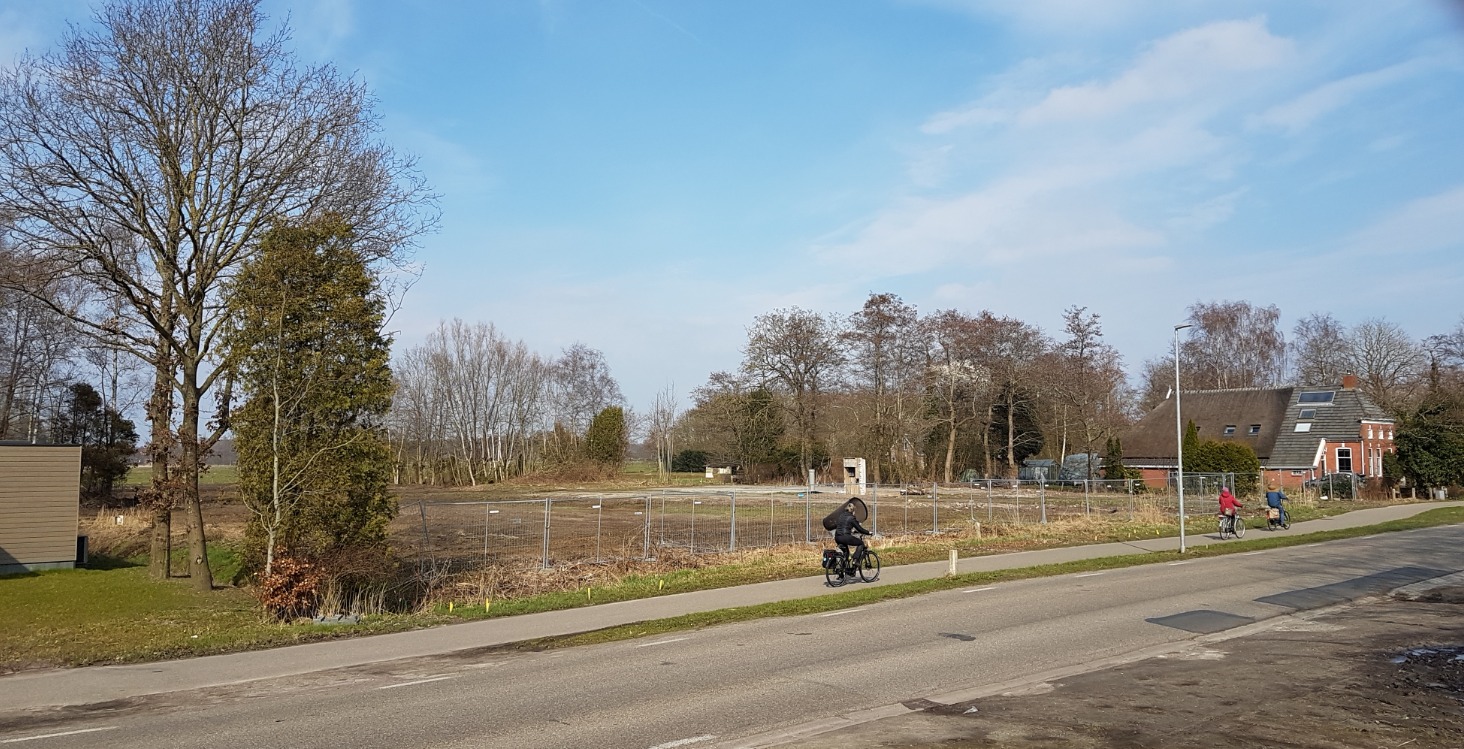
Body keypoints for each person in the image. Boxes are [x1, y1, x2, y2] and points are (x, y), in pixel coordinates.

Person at [831, 502, 872, 577]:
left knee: (845, 553)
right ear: (853, 511)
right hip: (845, 537)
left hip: (837, 537)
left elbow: (842, 526)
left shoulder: (841, 516)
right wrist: (868, 532)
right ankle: (855, 560)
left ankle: (842, 573)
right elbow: (860, 529)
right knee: (861, 544)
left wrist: (851, 530)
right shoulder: (851, 518)